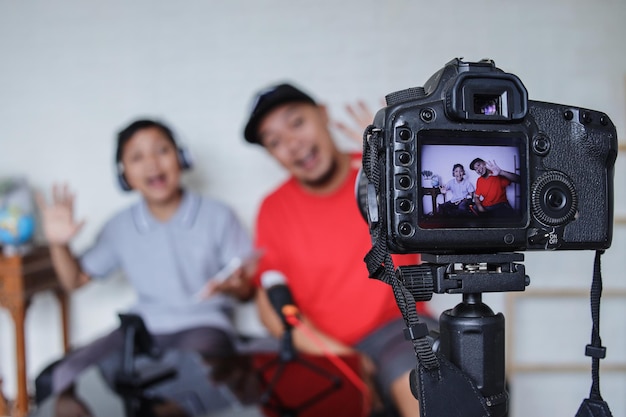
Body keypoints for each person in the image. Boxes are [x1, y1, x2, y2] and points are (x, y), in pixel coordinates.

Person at [242, 83, 433, 417]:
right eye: (274, 141)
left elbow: (452, 201)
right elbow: (268, 303)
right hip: (321, 346)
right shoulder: (273, 208)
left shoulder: (384, 169)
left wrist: (402, 153)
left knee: (422, 395)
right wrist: (343, 358)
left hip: (398, 328)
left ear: (323, 114)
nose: (292, 144)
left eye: (297, 123)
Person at [36, 119, 258, 401]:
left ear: (182, 157)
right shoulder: (119, 226)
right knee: (66, 374)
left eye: (162, 150)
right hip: (141, 327)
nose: (152, 163)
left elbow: (248, 290)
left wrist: (236, 286)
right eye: (137, 157)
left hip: (204, 325)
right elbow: (75, 280)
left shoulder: (218, 215)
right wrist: (59, 245)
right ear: (125, 175)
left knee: (191, 379)